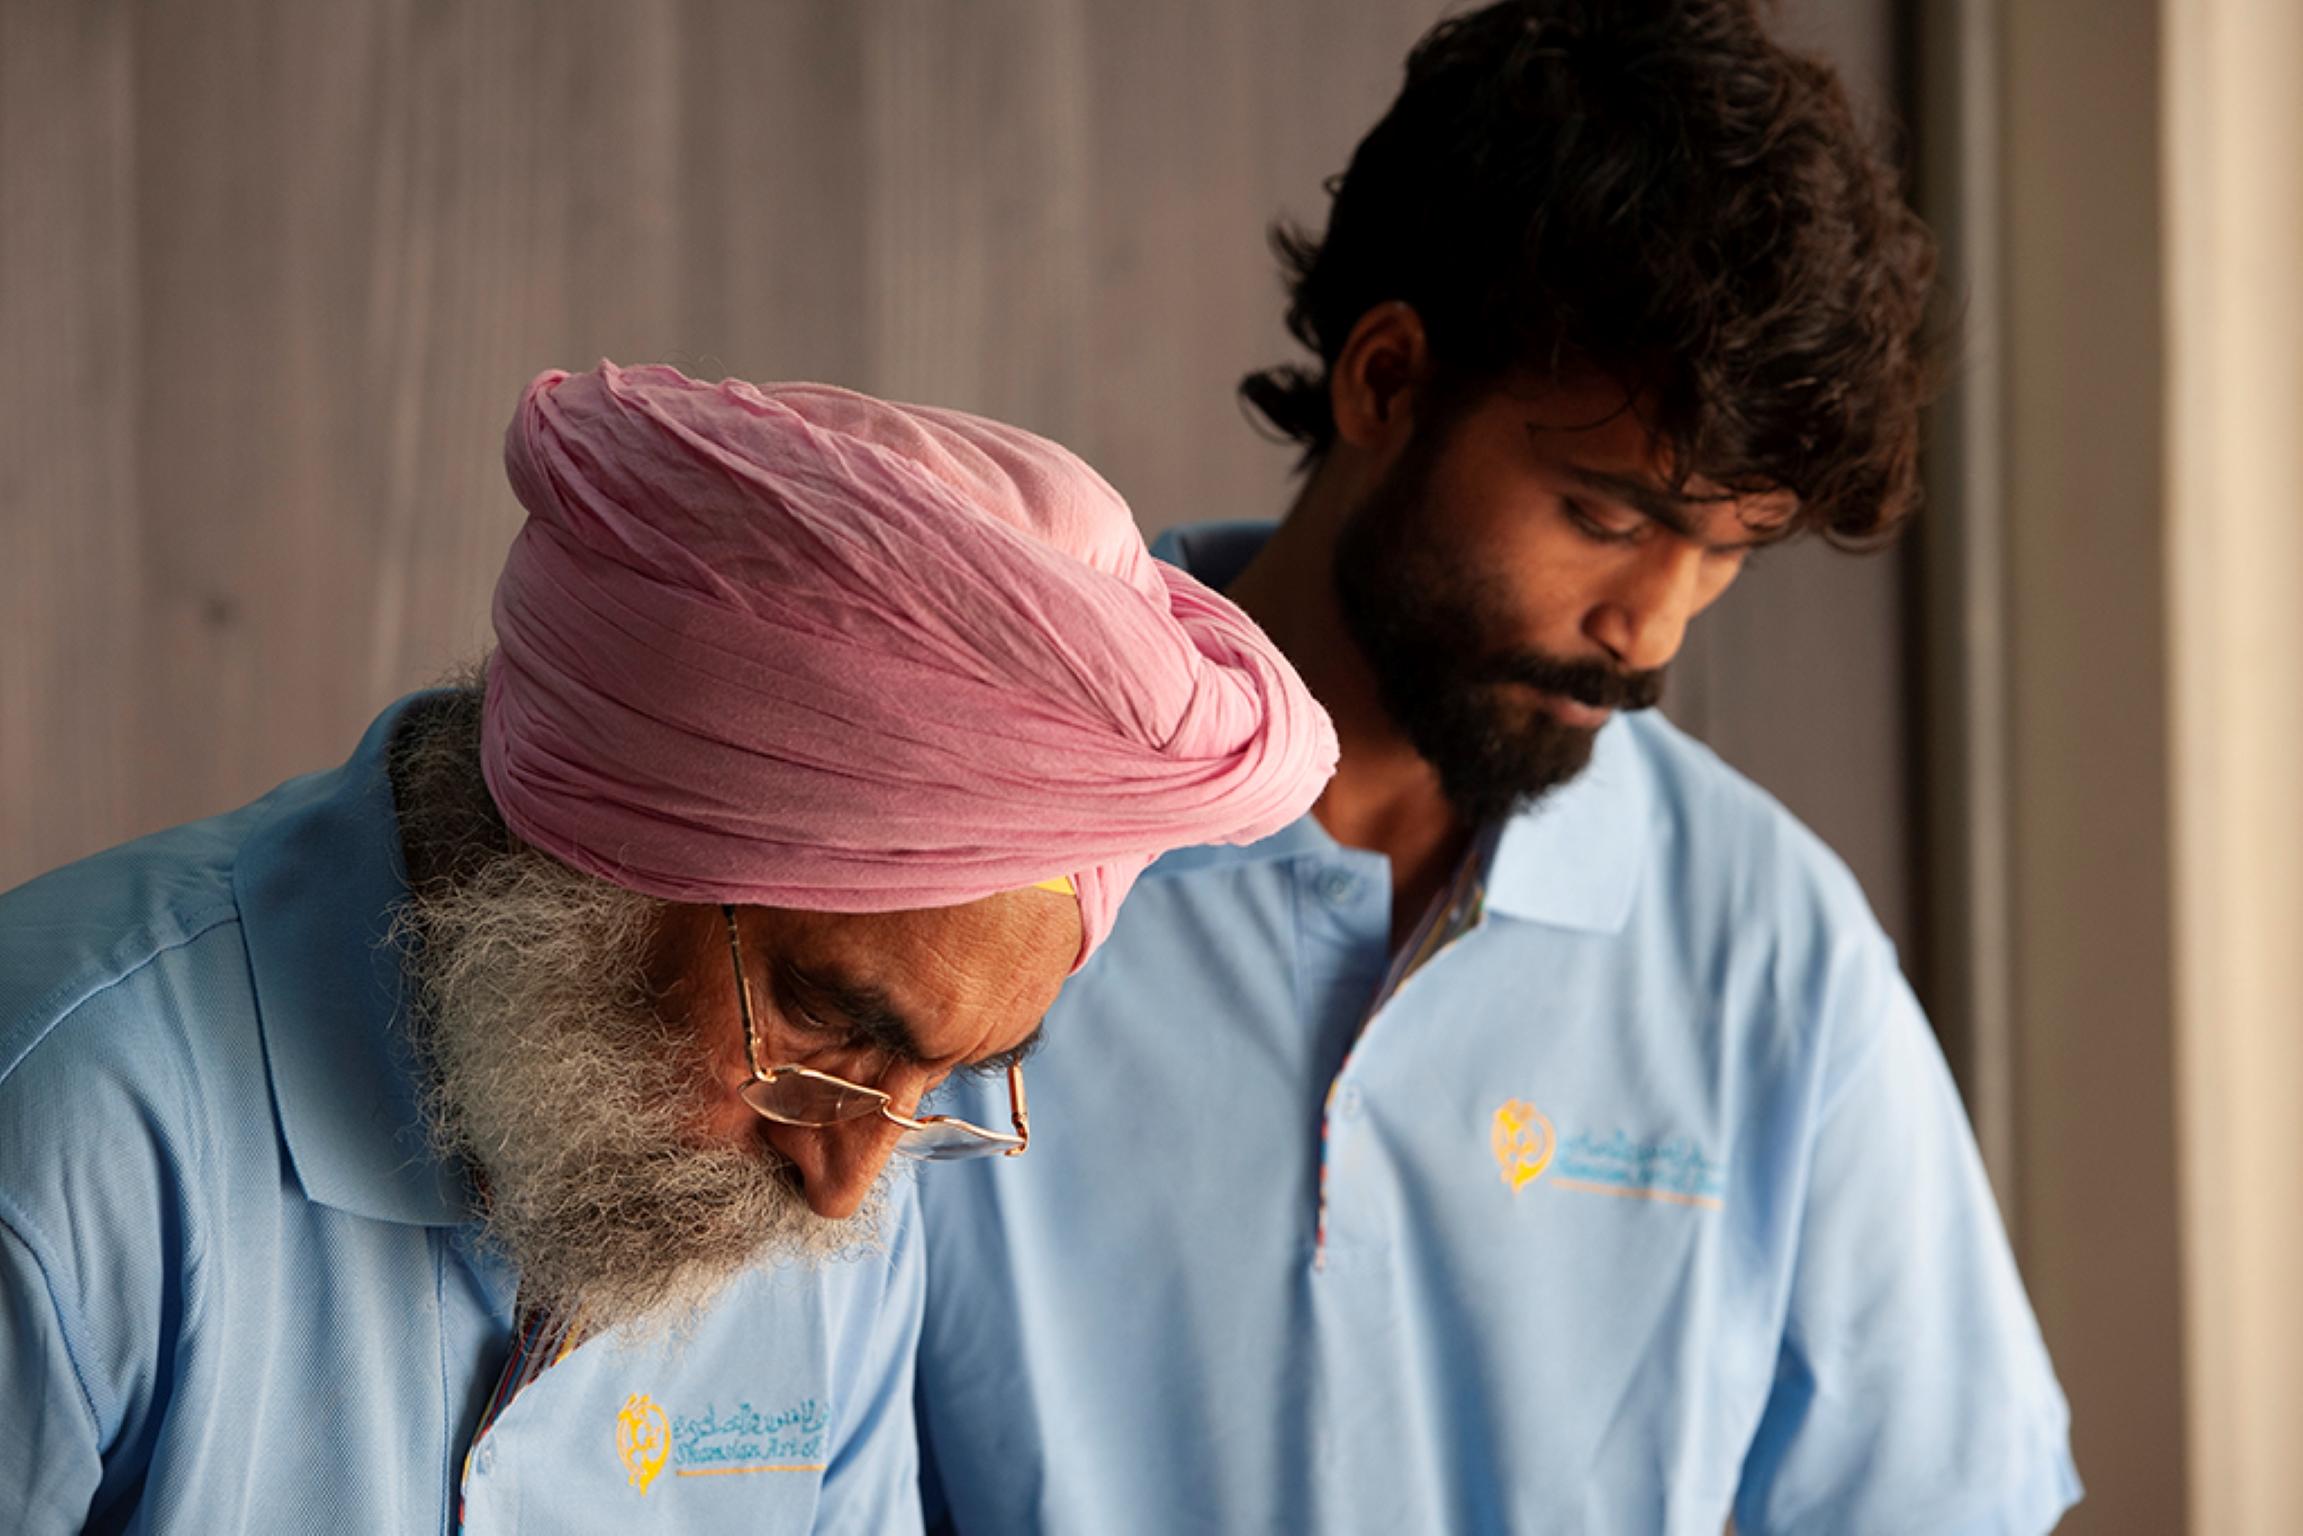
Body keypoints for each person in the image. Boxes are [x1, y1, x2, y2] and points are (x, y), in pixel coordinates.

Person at [914, 3, 2080, 1532]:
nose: (1652, 627)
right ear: (1388, 382)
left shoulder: (1769, 953)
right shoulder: (965, 843)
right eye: (1607, 518)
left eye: (1727, 553)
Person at [0, 362, 1334, 1534]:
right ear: (595, 855)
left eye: (952, 1082)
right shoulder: (73, 1118)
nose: (847, 1181)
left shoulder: (841, 1200)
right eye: (827, 1018)